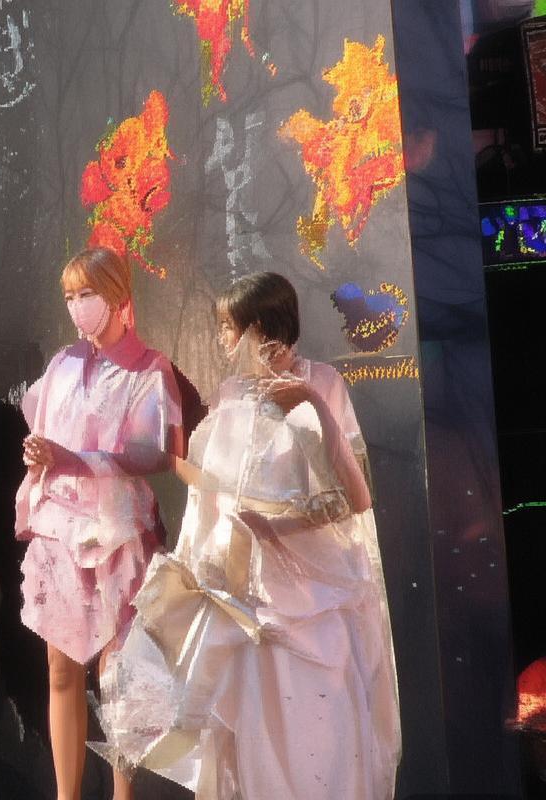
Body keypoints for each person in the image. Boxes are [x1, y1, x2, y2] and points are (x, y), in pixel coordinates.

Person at [95, 272, 401, 799]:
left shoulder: (323, 383)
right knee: (247, 733)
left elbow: (356, 496)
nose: (222, 340)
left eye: (228, 328)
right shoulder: (232, 393)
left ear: (262, 328)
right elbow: (213, 493)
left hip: (313, 595)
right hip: (245, 596)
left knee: (318, 737)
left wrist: (309, 409)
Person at [16, 246, 184, 800]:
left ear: (117, 295)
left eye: (86, 294)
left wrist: (74, 459)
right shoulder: (62, 365)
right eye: (69, 296)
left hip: (118, 534)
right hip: (60, 532)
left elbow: (152, 452)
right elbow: (44, 428)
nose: (77, 306)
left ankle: (122, 795)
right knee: (60, 670)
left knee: (118, 678)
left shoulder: (149, 367)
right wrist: (41, 457)